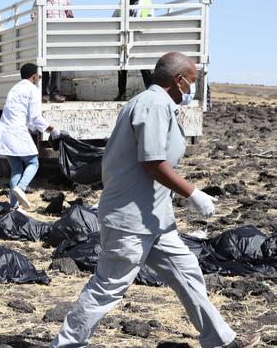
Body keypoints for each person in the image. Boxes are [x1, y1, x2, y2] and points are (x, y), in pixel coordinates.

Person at [49, 52, 260, 348]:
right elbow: (152, 161)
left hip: (155, 219)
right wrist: (192, 192)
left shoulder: (158, 104)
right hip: (130, 219)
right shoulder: (152, 104)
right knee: (108, 286)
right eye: (192, 82)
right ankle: (66, 345)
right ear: (179, 80)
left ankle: (221, 340)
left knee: (187, 273)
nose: (192, 89)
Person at [0, 63, 63, 211]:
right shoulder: (32, 89)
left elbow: (27, 118)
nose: (39, 78)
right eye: (38, 75)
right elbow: (36, 117)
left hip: (5, 131)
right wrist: (53, 130)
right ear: (33, 76)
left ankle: (14, 207)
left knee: (16, 169)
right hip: (17, 130)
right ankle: (21, 187)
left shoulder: (15, 88)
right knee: (33, 163)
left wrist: (34, 128)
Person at [34, 0, 74, 103]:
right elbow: (34, 17)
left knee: (57, 65)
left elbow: (70, 16)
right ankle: (43, 93)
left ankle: (55, 94)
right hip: (44, 36)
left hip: (59, 36)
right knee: (44, 66)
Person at [114, 0, 155, 101]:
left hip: (140, 40)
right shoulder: (123, 4)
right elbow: (115, 18)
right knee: (122, 68)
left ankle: (151, 93)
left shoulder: (147, 3)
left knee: (145, 68)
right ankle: (122, 93)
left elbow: (150, 20)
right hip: (125, 40)